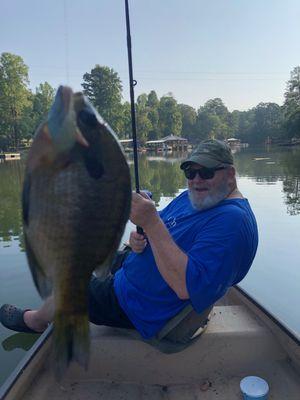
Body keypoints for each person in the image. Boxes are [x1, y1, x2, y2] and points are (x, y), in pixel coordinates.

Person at [0, 139, 258, 341]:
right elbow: (162, 227)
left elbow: (185, 287)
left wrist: (151, 223)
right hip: (138, 267)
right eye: (190, 172)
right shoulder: (201, 198)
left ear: (231, 175)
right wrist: (140, 238)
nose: (196, 180)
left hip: (139, 304)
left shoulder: (232, 222)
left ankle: (36, 321)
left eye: (207, 172)